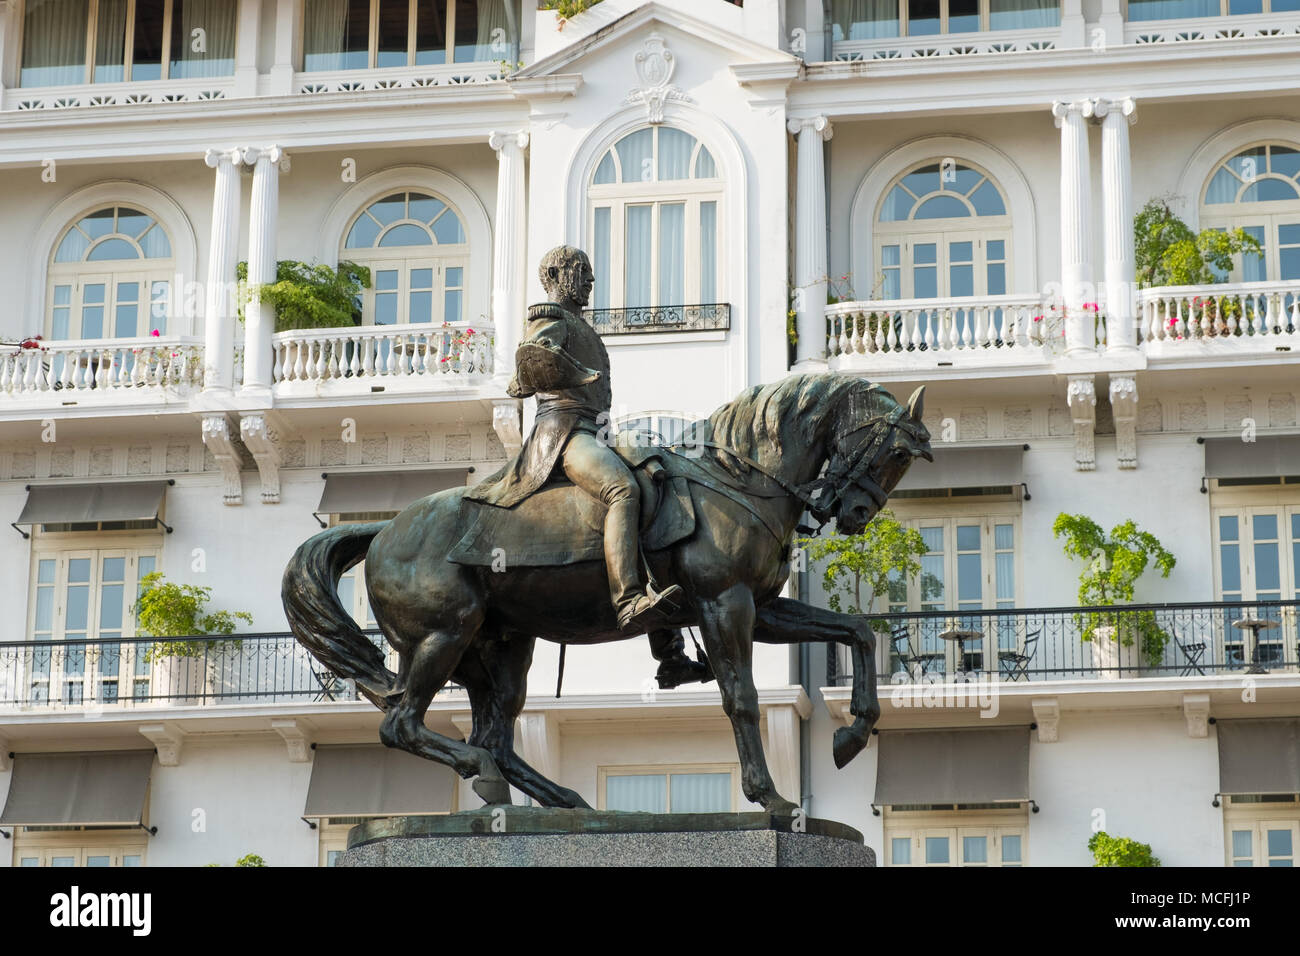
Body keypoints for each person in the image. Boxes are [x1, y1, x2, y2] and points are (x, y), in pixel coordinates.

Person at [465, 246, 708, 686]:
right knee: (622, 490)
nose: (591, 282)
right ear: (558, 273)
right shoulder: (550, 315)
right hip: (564, 434)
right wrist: (552, 361)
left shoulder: (581, 324)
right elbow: (529, 363)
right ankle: (629, 599)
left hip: (597, 431)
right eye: (583, 273)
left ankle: (670, 653)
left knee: (661, 481)